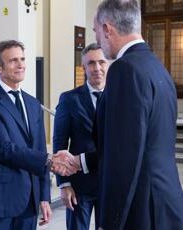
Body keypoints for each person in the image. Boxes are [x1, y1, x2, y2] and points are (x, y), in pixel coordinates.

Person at [89, 0, 183, 229]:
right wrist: (80, 161)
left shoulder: (125, 69)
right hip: (166, 201)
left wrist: (110, 221)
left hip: (141, 209)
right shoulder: (157, 67)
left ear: (107, 29)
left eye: (96, 32)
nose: (98, 41)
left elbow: (124, 155)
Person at [0, 40, 80, 230]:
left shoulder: (33, 104)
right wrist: (50, 161)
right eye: (13, 60)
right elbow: (3, 148)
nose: (20, 64)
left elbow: (38, 148)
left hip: (29, 200)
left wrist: (44, 196)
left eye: (22, 59)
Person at [53, 43, 108, 230]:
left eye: (101, 62)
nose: (97, 68)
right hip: (79, 184)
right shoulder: (69, 99)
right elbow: (59, 143)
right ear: (83, 67)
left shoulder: (119, 98)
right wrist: (64, 183)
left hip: (110, 181)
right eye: (91, 63)